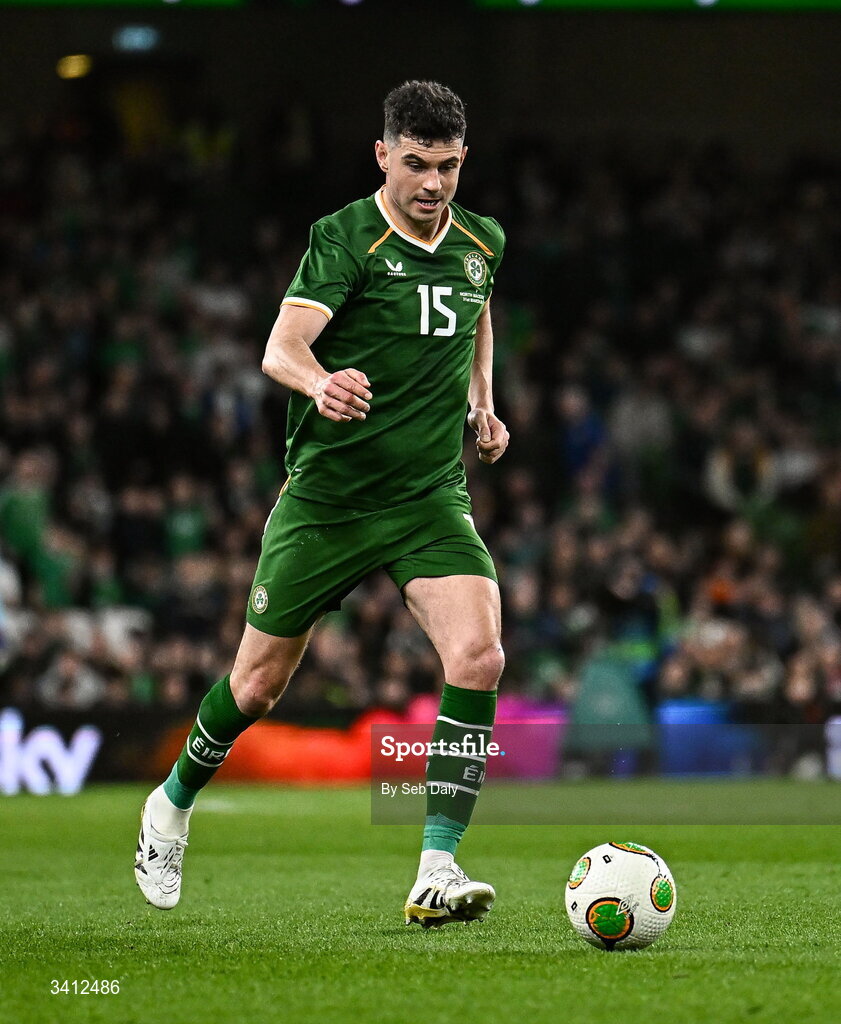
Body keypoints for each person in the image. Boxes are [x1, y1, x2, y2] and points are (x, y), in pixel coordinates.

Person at [134, 80, 509, 928]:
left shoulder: (481, 240)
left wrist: (481, 403)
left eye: (447, 167)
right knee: (256, 687)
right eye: (415, 164)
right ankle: (171, 803)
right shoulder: (345, 239)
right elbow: (281, 347)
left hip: (426, 498)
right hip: (329, 500)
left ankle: (436, 868)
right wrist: (321, 381)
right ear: (383, 154)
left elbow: (478, 314)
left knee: (479, 656)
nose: (432, 185)